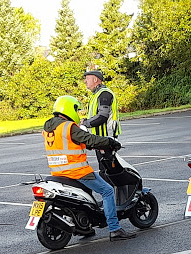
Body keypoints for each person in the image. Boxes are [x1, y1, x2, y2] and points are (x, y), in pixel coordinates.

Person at [43, 95, 136, 241]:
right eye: (76, 109)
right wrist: (109, 141)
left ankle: (85, 228)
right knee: (107, 191)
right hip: (77, 171)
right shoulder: (68, 126)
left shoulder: (49, 128)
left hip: (58, 172)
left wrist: (89, 145)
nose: (78, 113)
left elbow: (70, 143)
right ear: (69, 108)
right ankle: (115, 228)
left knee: (86, 194)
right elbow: (89, 138)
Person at [81, 70, 122, 170]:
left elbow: (102, 116)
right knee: (104, 167)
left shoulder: (104, 94)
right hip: (99, 137)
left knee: (107, 168)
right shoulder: (96, 94)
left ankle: (112, 185)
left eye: (87, 79)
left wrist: (86, 123)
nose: (85, 82)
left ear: (95, 79)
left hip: (106, 137)